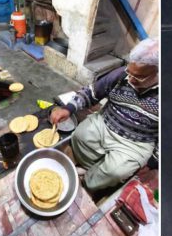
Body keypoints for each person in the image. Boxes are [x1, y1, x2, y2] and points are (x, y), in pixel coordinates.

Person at [50, 38, 159, 191]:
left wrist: (153, 162)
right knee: (80, 135)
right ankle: (93, 168)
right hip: (106, 121)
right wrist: (68, 109)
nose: (130, 79)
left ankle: (88, 181)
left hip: (136, 143)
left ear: (157, 73)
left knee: (115, 171)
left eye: (138, 77)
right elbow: (92, 91)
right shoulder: (123, 75)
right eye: (129, 72)